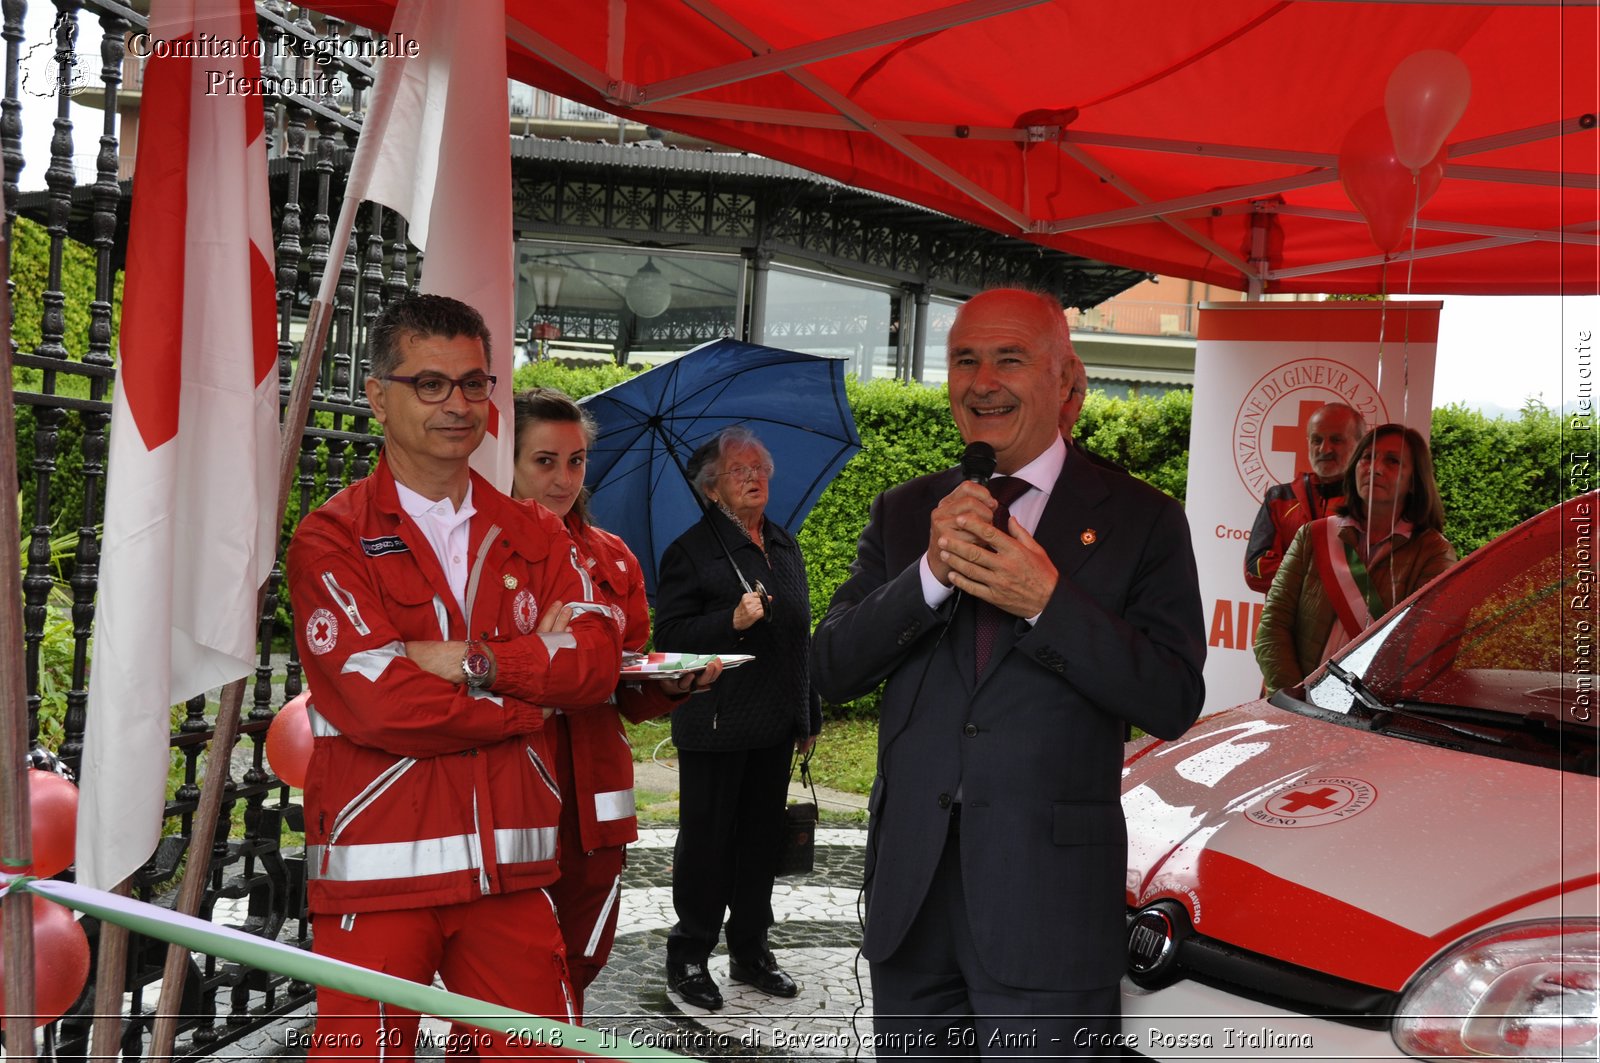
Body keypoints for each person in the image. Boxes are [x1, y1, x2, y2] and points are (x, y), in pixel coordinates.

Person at [810, 288, 1206, 1055]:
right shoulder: (905, 512)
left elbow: (1171, 696)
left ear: (1067, 383)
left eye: (1009, 359)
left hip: (1047, 914)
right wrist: (926, 574)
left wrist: (1048, 601)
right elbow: (830, 667)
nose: (982, 380)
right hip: (911, 907)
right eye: (965, 359)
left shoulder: (1144, 519)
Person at [285, 294, 622, 1058]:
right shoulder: (332, 536)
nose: (458, 404)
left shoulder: (534, 528)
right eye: (431, 384)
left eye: (475, 384)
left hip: (512, 876)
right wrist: (523, 700)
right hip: (376, 884)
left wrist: (475, 661)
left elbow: (598, 659)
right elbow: (376, 702)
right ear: (378, 396)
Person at [509, 387, 724, 1017]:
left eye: (575, 461)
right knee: (516, 968)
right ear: (507, 461)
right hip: (515, 789)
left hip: (597, 801)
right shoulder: (480, 557)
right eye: (544, 461)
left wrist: (669, 685)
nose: (563, 479)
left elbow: (624, 689)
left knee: (581, 959)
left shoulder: (615, 557)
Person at [655, 426, 823, 1012]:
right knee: (706, 846)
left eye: (761, 468)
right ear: (711, 489)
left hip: (774, 726)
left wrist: (808, 713)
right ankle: (690, 956)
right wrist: (731, 619)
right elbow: (669, 639)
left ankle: (751, 952)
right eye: (739, 471)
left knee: (758, 844)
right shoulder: (690, 552)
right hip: (716, 727)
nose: (755, 478)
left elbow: (799, 639)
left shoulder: (783, 544)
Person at [1255, 423, 1455, 694]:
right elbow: (1272, 627)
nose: (1374, 468)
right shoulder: (1313, 536)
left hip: (1371, 718)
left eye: (1392, 461)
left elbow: (1423, 650)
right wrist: (1296, 696)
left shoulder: (1433, 553)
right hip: (1297, 706)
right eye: (1367, 457)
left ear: (1414, 481)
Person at [1243, 402, 1367, 593]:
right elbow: (1255, 570)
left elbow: (1375, 575)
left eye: (1336, 440)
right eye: (1317, 440)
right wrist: (1325, 579)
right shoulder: (1279, 498)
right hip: (1284, 622)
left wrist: (1294, 573)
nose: (1324, 449)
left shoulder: (1371, 502)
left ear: (1360, 444)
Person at [1057, 351, 1121, 471]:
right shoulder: (1010, 471)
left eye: (1064, 396)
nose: (1051, 408)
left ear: (1080, 404)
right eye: (1043, 395)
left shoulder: (1116, 482)